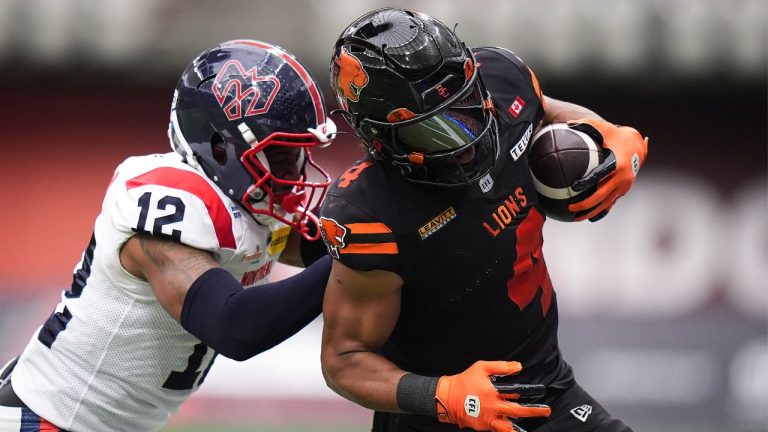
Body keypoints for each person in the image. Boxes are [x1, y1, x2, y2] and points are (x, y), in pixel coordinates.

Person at [319, 8, 648, 432]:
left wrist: (607, 134)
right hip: (439, 418)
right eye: (433, 130)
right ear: (380, 138)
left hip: (544, 385)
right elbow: (343, 360)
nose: (467, 139)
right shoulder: (370, 211)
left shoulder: (504, 78)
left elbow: (546, 110)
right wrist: (443, 395)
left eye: (468, 106)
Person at [0, 39, 337, 431]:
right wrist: (356, 251)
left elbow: (323, 246)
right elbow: (235, 326)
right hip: (47, 419)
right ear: (220, 147)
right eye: (278, 157)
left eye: (297, 156)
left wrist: (382, 227)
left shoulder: (251, 206)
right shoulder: (168, 201)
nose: (294, 175)